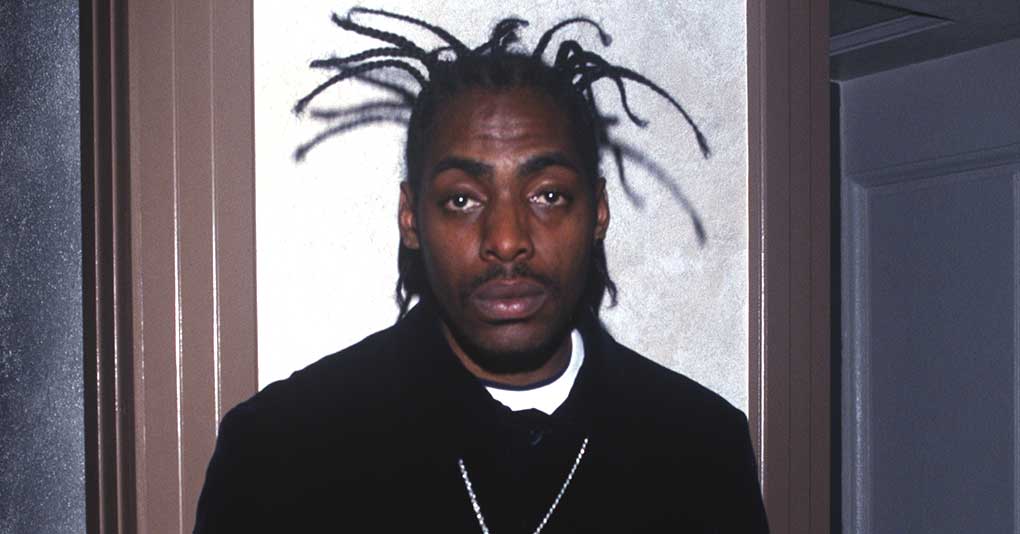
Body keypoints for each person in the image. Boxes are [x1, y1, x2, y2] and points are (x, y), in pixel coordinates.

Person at [195, 8, 768, 533]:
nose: (507, 240)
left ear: (597, 210)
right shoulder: (280, 451)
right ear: (411, 218)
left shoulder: (700, 447)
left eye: (547, 195)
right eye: (462, 200)